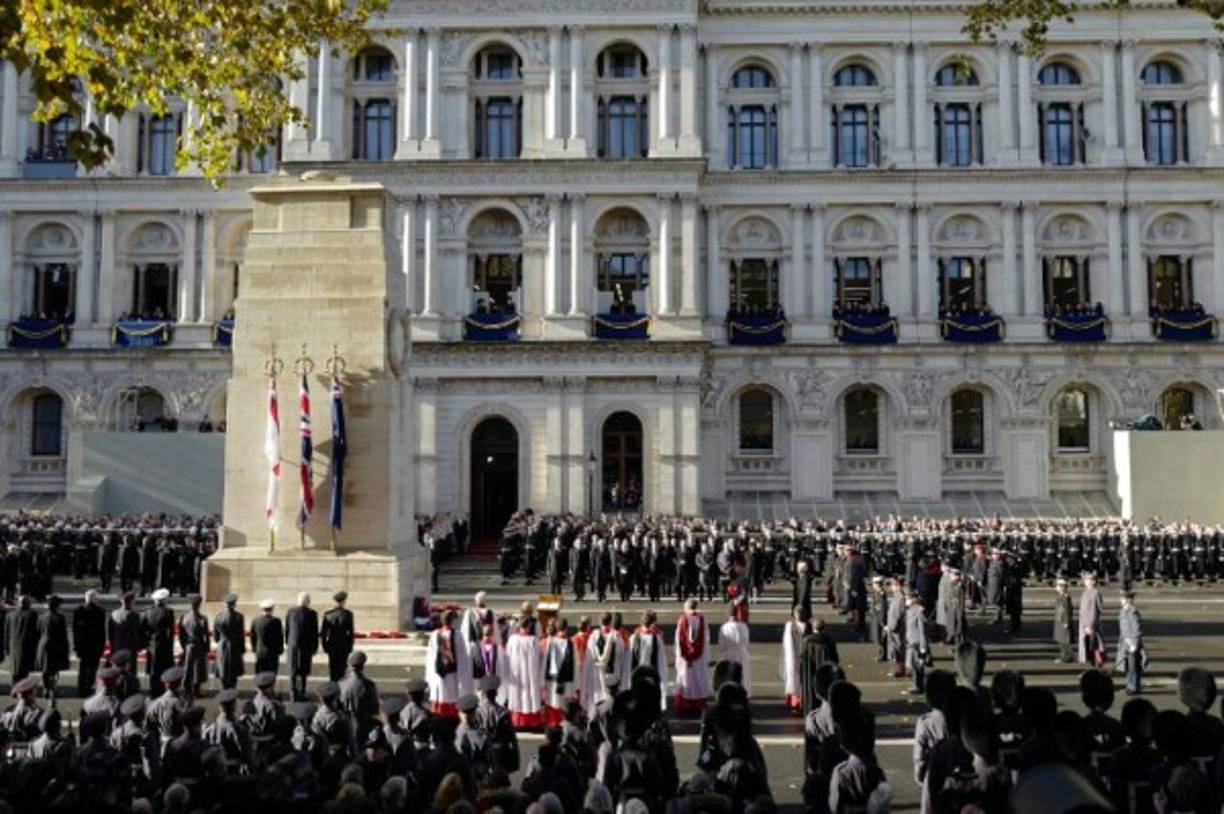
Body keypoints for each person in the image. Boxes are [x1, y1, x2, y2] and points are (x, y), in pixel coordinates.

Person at [425, 609, 472, 719]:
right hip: (452, 672)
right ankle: (451, 718)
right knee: (451, 695)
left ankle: (440, 716)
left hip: (440, 671)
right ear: (452, 621)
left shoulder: (435, 634)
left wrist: (430, 674)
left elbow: (430, 656)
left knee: (442, 694)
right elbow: (462, 656)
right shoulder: (458, 635)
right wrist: (464, 674)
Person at [475, 674, 520, 773]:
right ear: (496, 693)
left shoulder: (478, 712)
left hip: (485, 754)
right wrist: (516, 760)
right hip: (501, 754)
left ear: (484, 693)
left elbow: (476, 737)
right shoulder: (503, 712)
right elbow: (512, 737)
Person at [674, 599, 711, 715]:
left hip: (685, 658)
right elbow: (706, 638)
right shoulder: (702, 620)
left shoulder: (682, 619)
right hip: (699, 657)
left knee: (686, 679)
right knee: (698, 679)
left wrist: (681, 655)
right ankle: (698, 704)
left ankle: (685, 704)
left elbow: (678, 640)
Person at [505, 617, 544, 729]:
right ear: (528, 627)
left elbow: (507, 655)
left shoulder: (512, 639)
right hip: (530, 673)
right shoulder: (534, 640)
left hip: (516, 673)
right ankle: (532, 722)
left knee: (518, 696)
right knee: (530, 696)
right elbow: (541, 657)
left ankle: (518, 722)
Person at [339, 650, 380, 747]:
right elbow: (375, 709)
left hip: (346, 726)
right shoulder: (368, 685)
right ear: (362, 666)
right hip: (364, 725)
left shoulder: (341, 684)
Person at [628, 610, 669, 710]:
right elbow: (661, 660)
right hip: (651, 673)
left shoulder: (633, 637)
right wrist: (663, 676)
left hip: (637, 672)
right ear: (653, 622)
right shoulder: (657, 638)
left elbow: (629, 657)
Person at [542, 618, 578, 727]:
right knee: (564, 702)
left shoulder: (550, 642)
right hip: (567, 680)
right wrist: (576, 685)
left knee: (552, 701)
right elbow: (575, 665)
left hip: (552, 680)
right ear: (566, 629)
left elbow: (544, 663)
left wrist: (542, 681)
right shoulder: (571, 644)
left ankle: (552, 724)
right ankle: (564, 723)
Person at [35, 594, 70, 705]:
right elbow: (63, 635)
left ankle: (45, 689)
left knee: (45, 670)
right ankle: (53, 690)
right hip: (56, 645)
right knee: (54, 670)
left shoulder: (41, 616)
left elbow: (38, 630)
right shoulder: (60, 618)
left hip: (43, 644)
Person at [285, 591, 319, 702]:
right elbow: (314, 632)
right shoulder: (312, 614)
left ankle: (292, 692)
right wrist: (315, 647)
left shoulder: (290, 612)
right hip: (306, 646)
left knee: (293, 670)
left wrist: (287, 642)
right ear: (308, 601)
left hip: (293, 645)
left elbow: (287, 629)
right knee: (303, 671)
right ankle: (302, 692)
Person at [73, 589, 107, 698]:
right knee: (93, 667)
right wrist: (103, 645)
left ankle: (81, 688)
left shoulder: (78, 610)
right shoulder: (100, 611)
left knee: (83, 667)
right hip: (95, 645)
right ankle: (90, 686)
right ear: (95, 598)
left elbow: (75, 631)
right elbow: (102, 630)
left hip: (82, 645)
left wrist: (76, 646)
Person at [144, 588, 176, 697]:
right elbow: (171, 632)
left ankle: (153, 690)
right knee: (164, 667)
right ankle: (162, 689)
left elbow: (143, 629)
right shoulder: (168, 612)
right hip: (164, 643)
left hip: (152, 643)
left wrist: (146, 641)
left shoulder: (147, 612)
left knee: (153, 668)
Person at [780, 606, 812, 712]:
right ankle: (796, 702)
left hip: (799, 656)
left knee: (798, 680)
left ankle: (798, 702)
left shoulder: (806, 626)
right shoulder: (795, 626)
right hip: (794, 656)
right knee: (795, 680)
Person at [179, 594, 211, 698]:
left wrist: (183, 645)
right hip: (199, 645)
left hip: (188, 645)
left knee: (188, 667)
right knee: (198, 668)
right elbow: (206, 634)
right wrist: (207, 647)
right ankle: (196, 690)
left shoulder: (184, 617)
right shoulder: (202, 618)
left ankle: (187, 689)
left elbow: (181, 634)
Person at [212, 593, 246, 692]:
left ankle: (224, 689)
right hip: (234, 645)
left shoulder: (218, 616)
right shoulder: (239, 617)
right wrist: (242, 648)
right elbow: (241, 634)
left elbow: (215, 636)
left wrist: (220, 640)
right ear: (234, 604)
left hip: (222, 644)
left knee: (223, 667)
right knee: (234, 670)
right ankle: (232, 689)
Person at [718, 603, 752, 697]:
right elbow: (746, 641)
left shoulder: (724, 627)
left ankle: (728, 695)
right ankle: (742, 694)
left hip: (728, 654)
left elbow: (721, 645)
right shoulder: (743, 626)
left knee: (729, 676)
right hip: (741, 653)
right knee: (743, 676)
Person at [321, 591, 355, 683]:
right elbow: (351, 633)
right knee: (342, 671)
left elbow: (323, 634)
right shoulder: (348, 614)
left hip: (331, 646)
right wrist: (350, 647)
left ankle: (333, 690)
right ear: (343, 601)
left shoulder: (328, 614)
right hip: (343, 647)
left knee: (333, 670)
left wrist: (325, 646)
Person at [5, 595, 39, 683]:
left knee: (15, 670)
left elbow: (6, 633)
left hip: (13, 647)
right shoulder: (33, 615)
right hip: (27, 647)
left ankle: (15, 688)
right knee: (24, 671)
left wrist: (6, 648)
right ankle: (22, 689)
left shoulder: (10, 615)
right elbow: (37, 632)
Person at [1117, 591, 1145, 695]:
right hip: (1125, 642)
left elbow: (1137, 629)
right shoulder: (1123, 611)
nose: (1121, 600)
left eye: (1123, 598)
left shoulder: (1132, 612)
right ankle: (1129, 685)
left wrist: (1135, 644)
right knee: (1127, 666)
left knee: (1133, 667)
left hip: (1132, 642)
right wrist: (1120, 641)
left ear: (1129, 600)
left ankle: (1134, 687)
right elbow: (1122, 629)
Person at [251, 598, 285, 676]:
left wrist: (254, 648)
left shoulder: (256, 621)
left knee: (259, 675)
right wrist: (280, 649)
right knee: (271, 675)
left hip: (260, 652)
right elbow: (280, 637)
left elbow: (253, 637)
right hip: (273, 653)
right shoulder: (276, 621)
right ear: (272, 609)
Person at [905, 593, 930, 695]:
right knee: (913, 665)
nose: (906, 600)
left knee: (918, 666)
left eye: (907, 599)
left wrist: (923, 647)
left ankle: (918, 686)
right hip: (910, 641)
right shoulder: (910, 610)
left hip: (917, 642)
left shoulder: (918, 611)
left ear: (913, 599)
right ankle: (916, 684)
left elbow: (922, 630)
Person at [1079, 573, 1105, 666]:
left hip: (1092, 624)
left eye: (1088, 579)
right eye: (1085, 579)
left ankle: (1097, 664)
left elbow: (1096, 610)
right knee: (1088, 645)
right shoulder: (1085, 592)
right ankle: (1091, 663)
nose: (1085, 581)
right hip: (1084, 623)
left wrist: (1089, 625)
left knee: (1095, 645)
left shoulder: (1095, 593)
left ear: (1093, 582)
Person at [1053, 577, 1075, 663]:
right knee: (1061, 640)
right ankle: (1066, 655)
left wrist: (1066, 622)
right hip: (1060, 621)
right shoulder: (1061, 596)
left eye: (1058, 586)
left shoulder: (1065, 598)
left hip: (1063, 622)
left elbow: (1067, 611)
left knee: (1064, 641)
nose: (1056, 587)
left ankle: (1066, 657)